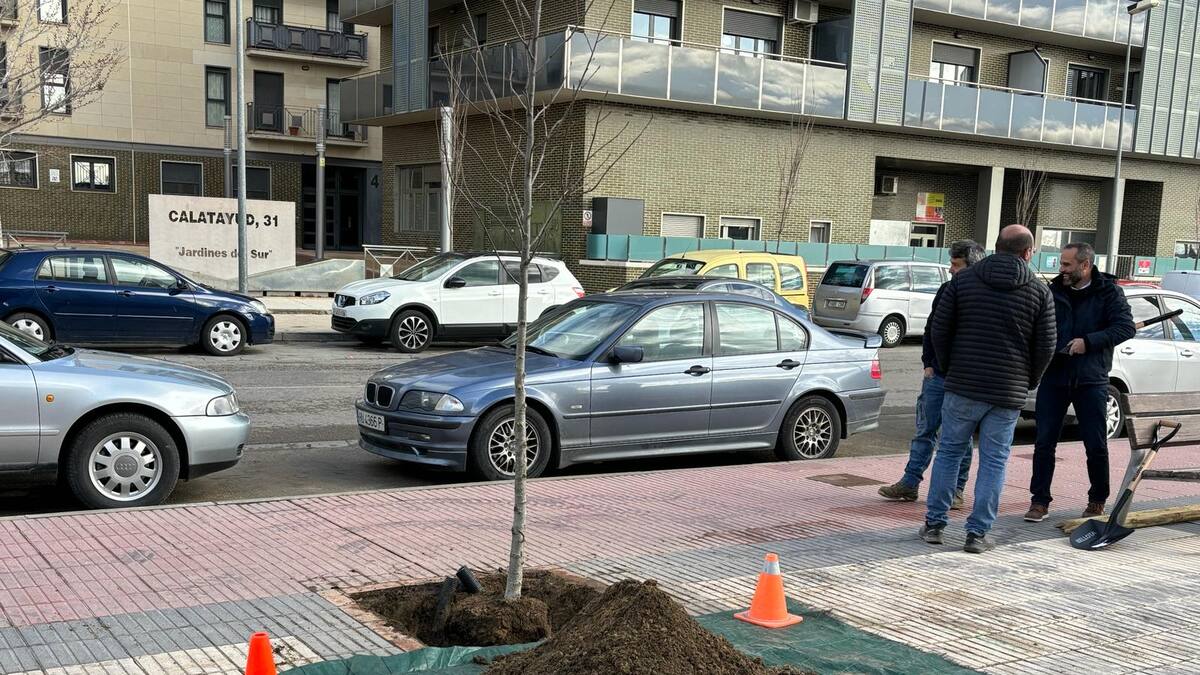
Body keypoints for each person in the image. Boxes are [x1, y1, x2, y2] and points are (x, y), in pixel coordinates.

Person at [921, 225, 1056, 554]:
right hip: (1007, 391)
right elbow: (1047, 346)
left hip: (962, 385)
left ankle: (935, 525)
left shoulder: (963, 282)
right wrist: (1029, 381)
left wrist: (949, 367)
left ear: (996, 247)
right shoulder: (1039, 292)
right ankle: (978, 533)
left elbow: (939, 328)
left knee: (949, 453)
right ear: (1028, 253)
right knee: (995, 461)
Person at [1024, 242, 1135, 523]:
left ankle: (1097, 499)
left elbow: (1125, 327)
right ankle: (1039, 501)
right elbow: (1039, 327)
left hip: (1092, 378)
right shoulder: (1053, 291)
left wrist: (1089, 342)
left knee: (1095, 444)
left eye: (1067, 265)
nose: (1061, 270)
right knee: (1044, 442)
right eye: (1060, 264)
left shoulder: (1108, 291)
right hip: (1055, 377)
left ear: (1085, 266)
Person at [878, 240, 985, 508]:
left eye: (956, 265)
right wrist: (928, 362)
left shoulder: (981, 296)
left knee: (959, 436)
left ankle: (957, 490)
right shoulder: (946, 290)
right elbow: (932, 327)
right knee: (925, 429)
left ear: (972, 267)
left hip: (963, 378)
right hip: (936, 374)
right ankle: (910, 482)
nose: (950, 270)